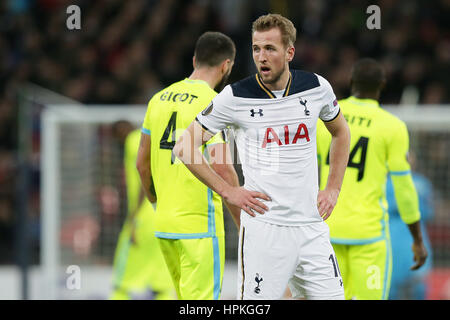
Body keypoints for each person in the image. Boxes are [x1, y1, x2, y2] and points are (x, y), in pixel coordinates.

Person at [174, 13, 351, 300]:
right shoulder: (235, 96)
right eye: (256, 49)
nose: (261, 56)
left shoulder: (317, 87)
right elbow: (184, 147)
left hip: (311, 227)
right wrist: (229, 191)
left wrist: (333, 188)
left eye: (270, 48)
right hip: (264, 230)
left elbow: (341, 133)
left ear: (289, 52)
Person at [137, 31, 241, 300]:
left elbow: (141, 164)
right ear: (226, 65)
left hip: (164, 225)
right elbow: (222, 167)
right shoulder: (214, 103)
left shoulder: (158, 99)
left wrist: (156, 204)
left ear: (194, 60)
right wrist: (243, 222)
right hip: (199, 227)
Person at [316, 58, 428, 300]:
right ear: (383, 85)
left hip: (326, 228)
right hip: (368, 236)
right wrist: (417, 239)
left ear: (351, 81)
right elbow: (404, 188)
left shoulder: (325, 116)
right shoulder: (392, 126)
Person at [110, 121, 175, 300]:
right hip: (164, 214)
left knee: (122, 281)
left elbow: (144, 171)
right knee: (161, 283)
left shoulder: (134, 139)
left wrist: (133, 217)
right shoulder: (160, 140)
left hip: (143, 215)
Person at [387, 151, 434, 300]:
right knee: (411, 285)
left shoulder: (385, 183)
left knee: (402, 285)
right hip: (406, 236)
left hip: (401, 236)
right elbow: (429, 212)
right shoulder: (421, 184)